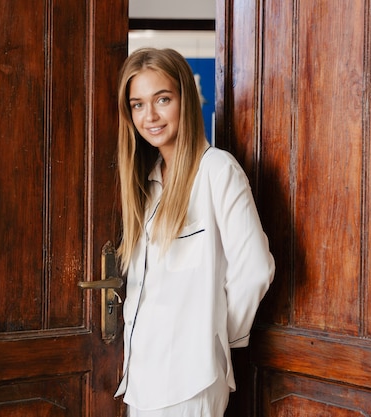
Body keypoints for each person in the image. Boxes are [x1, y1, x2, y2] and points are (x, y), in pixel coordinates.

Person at [113, 47, 275, 416]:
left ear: (185, 98)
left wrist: (215, 337)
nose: (149, 116)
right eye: (137, 104)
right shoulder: (148, 180)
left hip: (190, 379)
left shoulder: (217, 171)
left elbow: (255, 269)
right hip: (140, 378)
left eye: (162, 99)